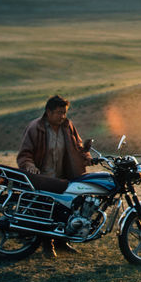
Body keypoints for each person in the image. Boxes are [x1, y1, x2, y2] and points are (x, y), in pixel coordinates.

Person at [17, 94, 93, 258]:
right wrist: (30, 166)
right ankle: (47, 245)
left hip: (63, 176)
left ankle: (62, 242)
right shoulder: (35, 128)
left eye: (64, 112)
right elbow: (25, 154)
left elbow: (78, 146)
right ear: (48, 112)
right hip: (42, 178)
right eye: (59, 112)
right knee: (46, 212)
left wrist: (86, 157)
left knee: (65, 210)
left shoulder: (67, 126)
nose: (62, 116)